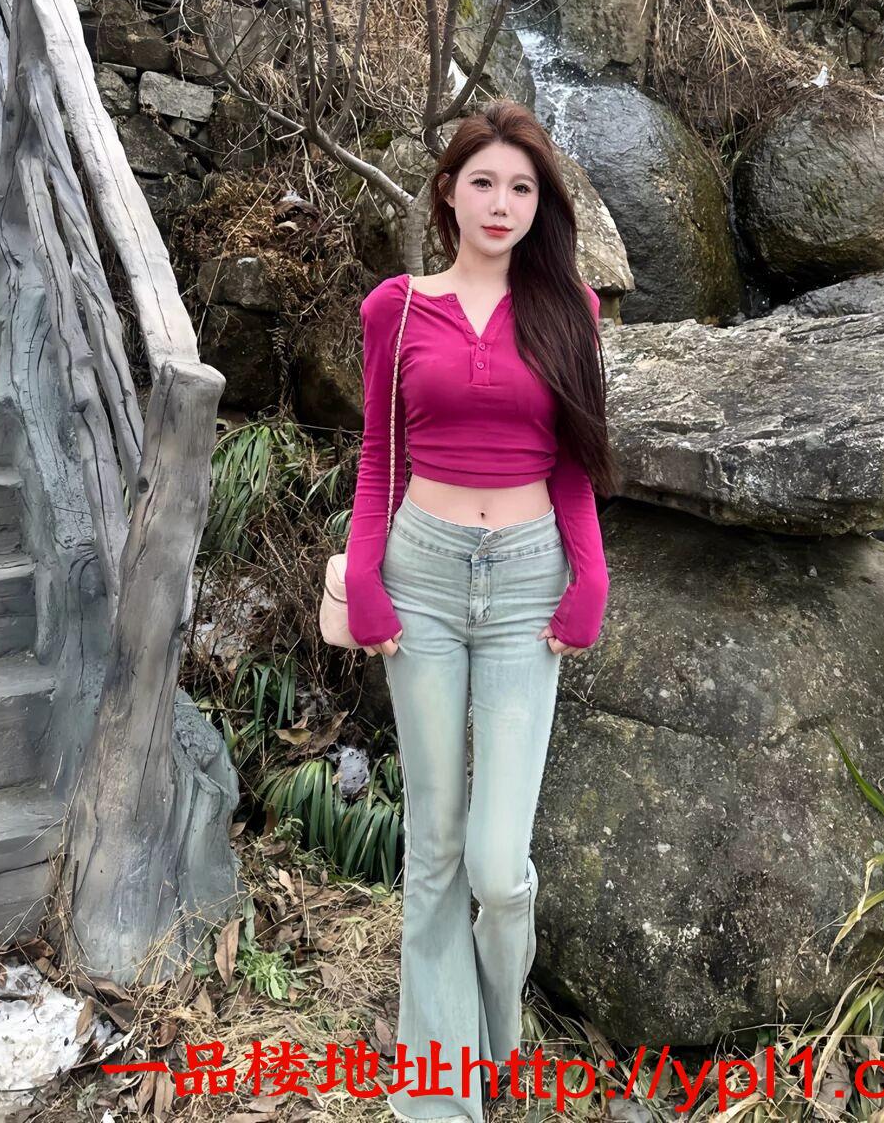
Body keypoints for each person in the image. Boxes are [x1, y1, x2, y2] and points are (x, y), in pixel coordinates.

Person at [344, 100, 618, 1123]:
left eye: (521, 187)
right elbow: (379, 454)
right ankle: (439, 1095)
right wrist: (365, 575)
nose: (501, 203)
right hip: (420, 572)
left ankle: (496, 1040)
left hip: (527, 585)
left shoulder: (569, 309)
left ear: (540, 204)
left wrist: (589, 579)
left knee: (499, 869)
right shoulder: (396, 310)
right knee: (436, 846)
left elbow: (576, 463)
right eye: (484, 183)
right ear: (448, 194)